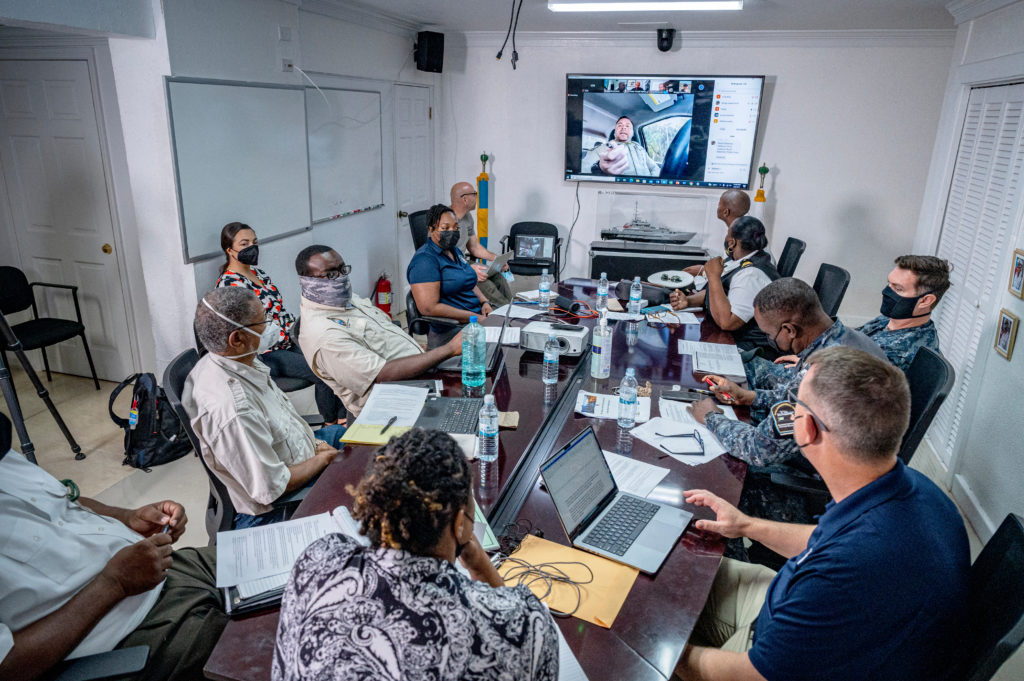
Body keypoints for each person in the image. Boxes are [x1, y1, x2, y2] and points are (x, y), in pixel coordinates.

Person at [674, 348, 969, 681]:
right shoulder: (911, 490)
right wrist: (745, 525)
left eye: (794, 406)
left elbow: (752, 673)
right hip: (799, 616)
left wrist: (663, 649)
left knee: (633, 631)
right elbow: (823, 541)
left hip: (776, 657)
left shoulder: (846, 570)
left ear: (808, 428)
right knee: (670, 567)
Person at [272, 428, 559, 681]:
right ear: (460, 523)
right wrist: (481, 564)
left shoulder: (317, 562)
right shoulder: (526, 625)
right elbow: (516, 632)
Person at [0, 413, 226, 681]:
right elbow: (8, 666)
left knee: (276, 567)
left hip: (164, 575)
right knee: (268, 642)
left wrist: (127, 517)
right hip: (131, 638)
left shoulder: (4, 458)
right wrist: (113, 584)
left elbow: (62, 503)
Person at [185, 287, 346, 528]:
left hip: (302, 450)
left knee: (373, 440)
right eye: (263, 321)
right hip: (273, 508)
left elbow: (284, 418)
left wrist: (317, 445)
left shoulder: (241, 362)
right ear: (237, 339)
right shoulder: (233, 408)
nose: (270, 327)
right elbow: (271, 488)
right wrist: (324, 460)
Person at [296, 245, 463, 417]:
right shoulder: (324, 335)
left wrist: (422, 352)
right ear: (307, 281)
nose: (341, 278)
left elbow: (386, 336)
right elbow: (381, 375)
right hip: (391, 406)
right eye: (331, 274)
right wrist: (449, 349)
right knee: (466, 411)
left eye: (343, 269)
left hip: (418, 377)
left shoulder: (344, 300)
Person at [216, 221, 344, 425]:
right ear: (230, 250)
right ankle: (332, 426)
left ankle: (343, 420)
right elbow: (243, 331)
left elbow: (278, 311)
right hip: (266, 352)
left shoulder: (259, 274)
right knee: (323, 373)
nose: (252, 247)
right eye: (244, 243)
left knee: (331, 360)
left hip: (288, 340)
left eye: (255, 242)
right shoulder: (230, 284)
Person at [670, 216, 779, 350]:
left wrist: (713, 276)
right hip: (727, 338)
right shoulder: (740, 259)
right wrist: (688, 300)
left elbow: (727, 322)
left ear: (732, 242)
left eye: (727, 235)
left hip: (748, 348)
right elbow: (722, 292)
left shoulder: (752, 275)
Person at [408, 203, 493, 348]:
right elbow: (428, 308)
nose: (452, 232)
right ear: (431, 229)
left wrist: (484, 302)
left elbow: (468, 281)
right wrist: (474, 318)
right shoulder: (424, 261)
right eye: (445, 228)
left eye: (456, 228)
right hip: (452, 331)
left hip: (474, 320)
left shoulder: (454, 251)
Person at [449, 181, 513, 307]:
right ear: (465, 199)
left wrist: (497, 259)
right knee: (486, 284)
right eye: (474, 194)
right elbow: (441, 256)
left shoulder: (467, 217)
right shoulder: (445, 221)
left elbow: (474, 247)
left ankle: (512, 308)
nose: (476, 197)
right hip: (451, 266)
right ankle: (506, 314)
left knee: (498, 278)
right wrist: (467, 270)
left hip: (463, 263)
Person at [583, 116, 660, 177]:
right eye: (620, 125)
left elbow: (654, 168)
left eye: (628, 126)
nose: (624, 127)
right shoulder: (601, 148)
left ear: (632, 133)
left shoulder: (639, 148)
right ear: (614, 133)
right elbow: (583, 168)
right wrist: (598, 168)